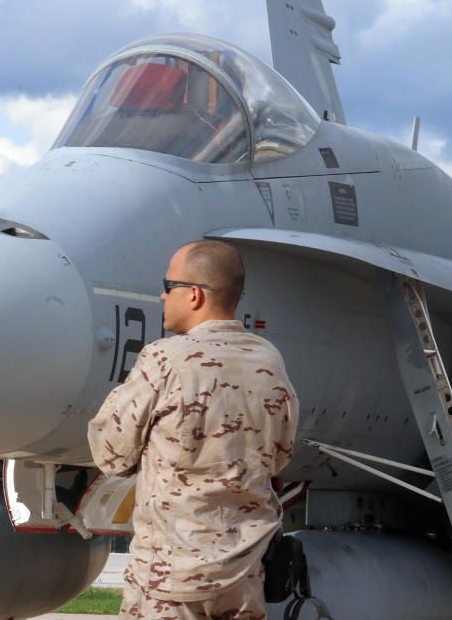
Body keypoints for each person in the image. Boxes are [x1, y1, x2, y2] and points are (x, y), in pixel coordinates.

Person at [88, 240, 299, 620]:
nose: (162, 296)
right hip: (243, 577)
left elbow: (111, 454)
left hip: (170, 583)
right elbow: (280, 456)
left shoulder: (164, 359)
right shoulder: (269, 360)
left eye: (169, 287)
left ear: (195, 295)